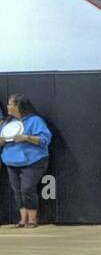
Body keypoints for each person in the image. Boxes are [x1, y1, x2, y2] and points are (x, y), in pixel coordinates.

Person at [2, 95, 52, 229]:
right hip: (11, 161)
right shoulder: (8, 123)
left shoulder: (35, 121)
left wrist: (26, 137)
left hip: (33, 160)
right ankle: (22, 219)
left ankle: (32, 219)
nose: (7, 107)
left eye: (10, 104)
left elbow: (45, 139)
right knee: (17, 190)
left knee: (27, 188)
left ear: (19, 106)